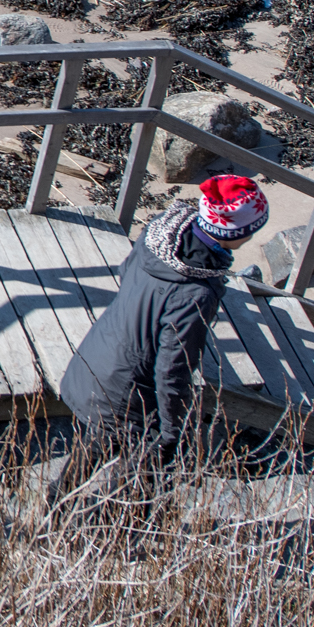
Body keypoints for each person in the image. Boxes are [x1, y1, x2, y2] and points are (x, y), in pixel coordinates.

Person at [57, 174, 270, 469]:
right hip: (121, 395)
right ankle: (66, 511)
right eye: (253, 230)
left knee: (90, 456)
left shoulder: (160, 234)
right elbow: (172, 371)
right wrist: (171, 432)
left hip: (93, 360)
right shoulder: (196, 293)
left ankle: (62, 509)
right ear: (235, 233)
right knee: (139, 471)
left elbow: (126, 272)